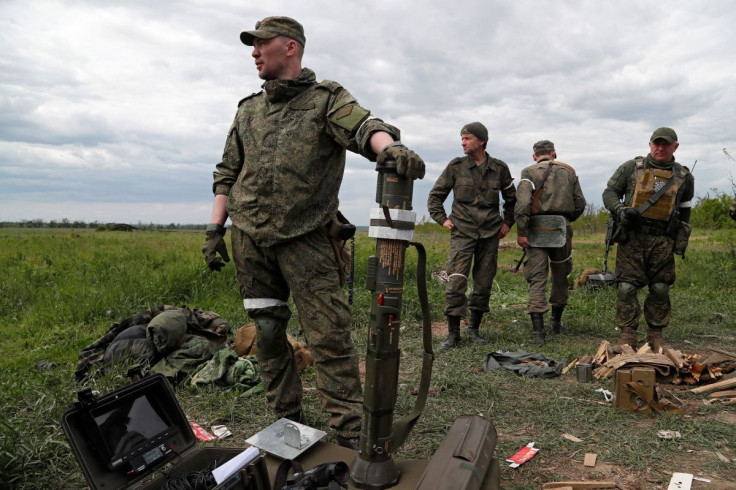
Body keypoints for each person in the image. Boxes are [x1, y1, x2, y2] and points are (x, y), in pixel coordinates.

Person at [201, 16, 425, 450]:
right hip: (249, 237)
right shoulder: (248, 108)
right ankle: (287, 423)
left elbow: (364, 128)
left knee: (328, 335)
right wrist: (215, 229)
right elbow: (227, 173)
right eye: (252, 45)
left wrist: (390, 148)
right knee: (266, 332)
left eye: (260, 44)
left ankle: (346, 434)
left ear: (289, 47)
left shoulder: (325, 99)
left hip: (307, 237)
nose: (253, 52)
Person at [602, 127, 694, 351]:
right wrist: (621, 210)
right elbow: (609, 193)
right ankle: (627, 335)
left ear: (675, 146)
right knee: (626, 288)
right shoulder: (631, 168)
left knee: (661, 288)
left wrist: (680, 239)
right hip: (632, 237)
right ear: (650, 144)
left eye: (666, 144)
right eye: (656, 143)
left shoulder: (683, 176)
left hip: (662, 240)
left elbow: (685, 209)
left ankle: (655, 335)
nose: (660, 147)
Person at [427, 122, 516, 350]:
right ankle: (453, 334)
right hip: (463, 233)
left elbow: (511, 198)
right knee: (456, 281)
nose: (463, 142)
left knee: (484, 283)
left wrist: (507, 222)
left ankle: (474, 329)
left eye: (467, 138)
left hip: (490, 234)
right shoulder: (456, 167)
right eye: (462, 138)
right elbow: (435, 196)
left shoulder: (499, 168)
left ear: (481, 141)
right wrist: (443, 219)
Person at [514, 140, 586, 346]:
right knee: (561, 275)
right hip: (561, 228)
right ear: (554, 153)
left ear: (534, 156)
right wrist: (565, 220)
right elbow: (580, 203)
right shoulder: (569, 173)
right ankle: (556, 322)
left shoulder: (528, 172)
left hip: (536, 229)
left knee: (537, 278)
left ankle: (539, 332)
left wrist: (522, 231)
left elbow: (522, 204)